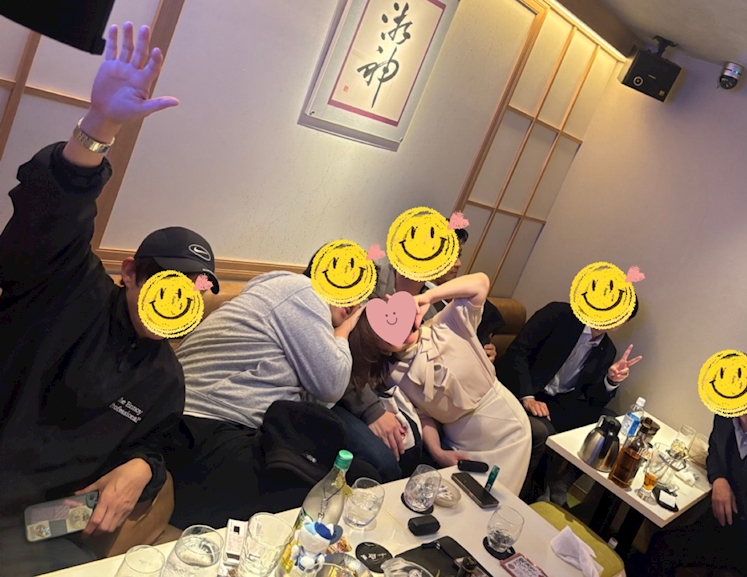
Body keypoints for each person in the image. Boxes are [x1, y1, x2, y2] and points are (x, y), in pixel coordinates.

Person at [0, 23, 214, 575]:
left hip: (31, 530)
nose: (180, 301)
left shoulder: (164, 378)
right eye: (169, 281)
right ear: (130, 272)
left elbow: (157, 443)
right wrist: (100, 125)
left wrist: (144, 466)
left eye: (196, 292)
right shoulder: (67, 281)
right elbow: (51, 211)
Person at [169, 254, 368, 527]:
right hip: (200, 431)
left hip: (226, 431)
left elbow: (319, 401)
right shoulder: (303, 293)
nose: (353, 302)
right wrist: (343, 333)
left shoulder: (290, 307)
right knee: (342, 492)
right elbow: (332, 386)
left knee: (358, 477)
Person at [349, 273, 533, 494]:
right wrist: (437, 451)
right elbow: (423, 415)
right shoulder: (391, 375)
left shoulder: (446, 324)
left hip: (505, 427)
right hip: (457, 441)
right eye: (386, 331)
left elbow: (481, 283)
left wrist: (427, 298)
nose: (400, 327)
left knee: (499, 499)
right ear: (382, 349)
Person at [632, 368, 747, 577]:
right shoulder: (725, 418)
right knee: (664, 546)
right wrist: (719, 479)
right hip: (734, 531)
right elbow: (715, 450)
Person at [496, 300, 641, 503]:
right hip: (522, 388)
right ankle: (525, 493)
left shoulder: (607, 349)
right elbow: (517, 353)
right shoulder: (559, 314)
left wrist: (610, 380)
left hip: (557, 401)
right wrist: (527, 397)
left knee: (609, 423)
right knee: (545, 431)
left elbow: (594, 399)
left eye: (621, 317)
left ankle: (560, 483)